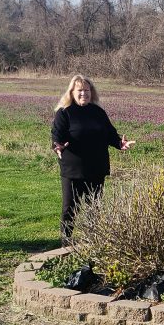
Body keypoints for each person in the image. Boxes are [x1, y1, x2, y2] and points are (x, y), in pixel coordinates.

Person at [51, 74, 134, 246]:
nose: (84, 94)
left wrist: (120, 143)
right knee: (70, 207)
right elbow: (56, 134)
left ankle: (93, 241)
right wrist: (57, 146)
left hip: (96, 168)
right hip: (73, 169)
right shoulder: (64, 112)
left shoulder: (98, 112)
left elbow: (110, 134)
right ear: (72, 92)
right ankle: (66, 243)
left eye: (87, 90)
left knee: (94, 207)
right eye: (80, 90)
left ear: (92, 92)